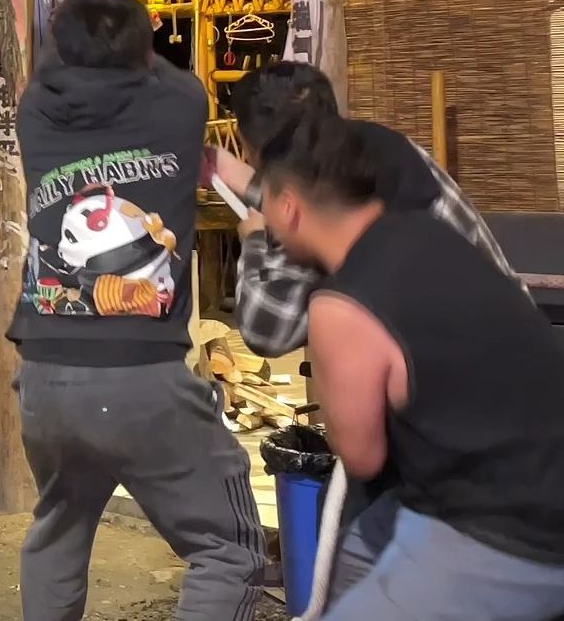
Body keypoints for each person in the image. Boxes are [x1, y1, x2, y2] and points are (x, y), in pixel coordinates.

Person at [207, 61, 526, 599]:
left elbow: (268, 329)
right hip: (517, 391)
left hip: (456, 444)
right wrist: (238, 179)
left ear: (254, 147)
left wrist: (255, 240)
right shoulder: (389, 155)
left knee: (362, 566)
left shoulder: (316, 204)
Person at [11, 0, 264, 621]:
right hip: (140, 374)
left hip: (45, 378)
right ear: (144, 51)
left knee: (58, 531)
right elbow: (169, 76)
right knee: (228, 548)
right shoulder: (181, 104)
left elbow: (55, 66)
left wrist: (79, 31)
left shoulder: (35, 111)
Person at [253, 113, 564, 620]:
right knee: (358, 547)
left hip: (511, 533)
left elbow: (362, 457)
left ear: (288, 207)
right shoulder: (432, 234)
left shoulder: (343, 305)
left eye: (263, 203)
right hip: (511, 479)